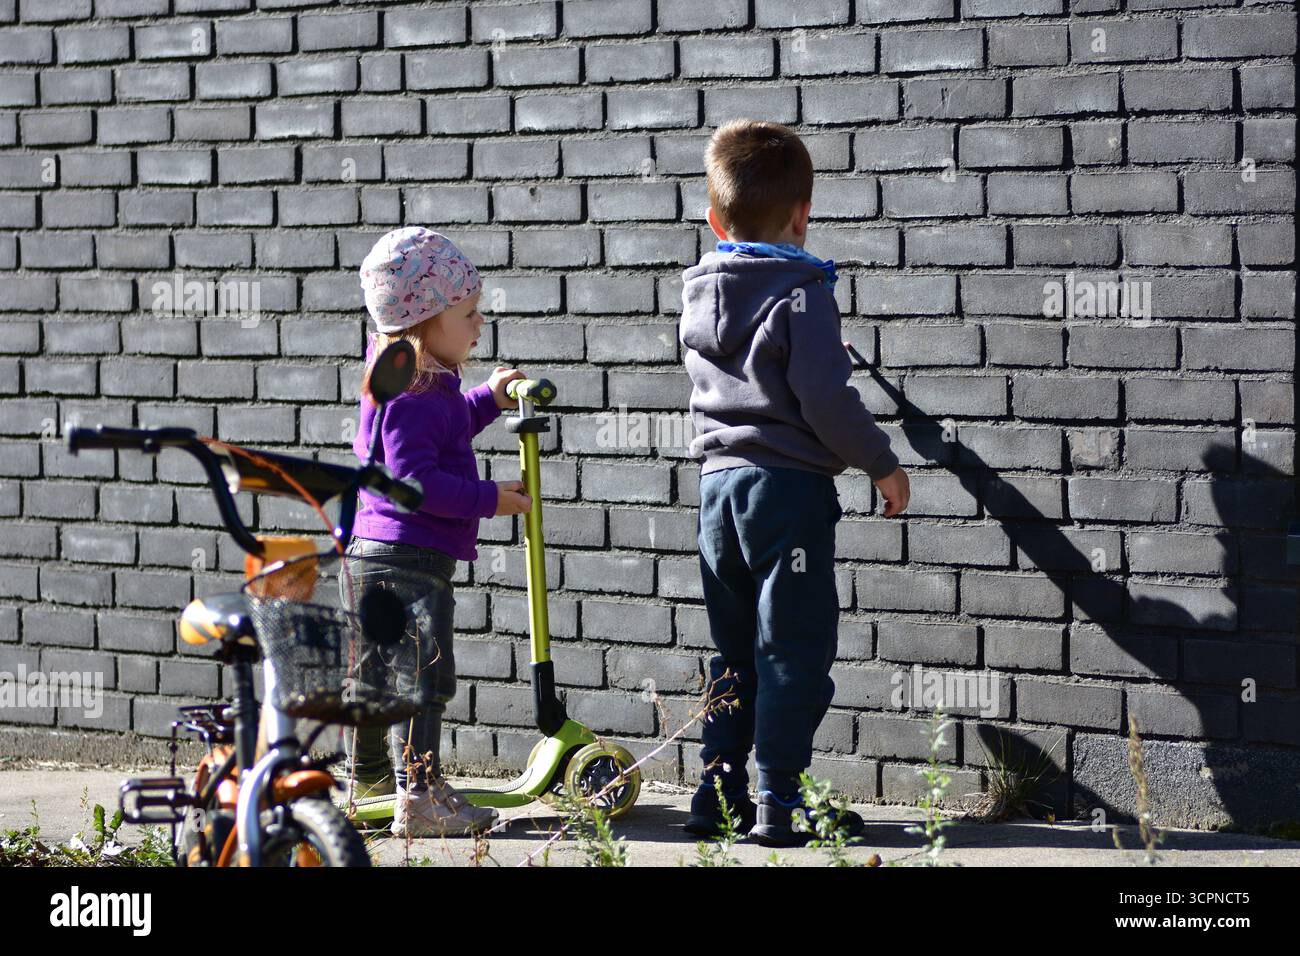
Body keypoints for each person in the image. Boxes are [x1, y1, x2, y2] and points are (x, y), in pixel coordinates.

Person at [679, 120, 912, 847]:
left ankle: (719, 797)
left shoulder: (700, 294)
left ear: (716, 222)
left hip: (719, 492)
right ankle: (781, 803)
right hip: (787, 495)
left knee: (736, 652)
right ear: (803, 215)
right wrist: (881, 460)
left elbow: (759, 373)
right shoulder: (805, 291)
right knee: (794, 648)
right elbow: (823, 400)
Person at [341, 226, 532, 838]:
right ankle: (418, 794)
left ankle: (367, 781)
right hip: (408, 557)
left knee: (374, 671)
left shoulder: (411, 379)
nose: (480, 323)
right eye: (469, 312)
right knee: (423, 674)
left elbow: (447, 427)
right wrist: (489, 500)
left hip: (372, 552)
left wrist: (486, 400)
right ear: (424, 321)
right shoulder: (417, 390)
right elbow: (417, 481)